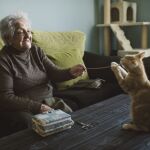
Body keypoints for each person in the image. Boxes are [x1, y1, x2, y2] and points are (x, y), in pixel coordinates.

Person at [0, 12, 85, 128]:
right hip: (23, 108)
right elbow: (6, 97)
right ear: (8, 37)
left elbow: (54, 73)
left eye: (28, 31)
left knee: (72, 123)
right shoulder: (4, 60)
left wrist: (70, 72)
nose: (27, 35)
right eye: (20, 32)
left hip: (48, 101)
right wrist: (37, 107)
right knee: (34, 126)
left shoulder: (35, 50)